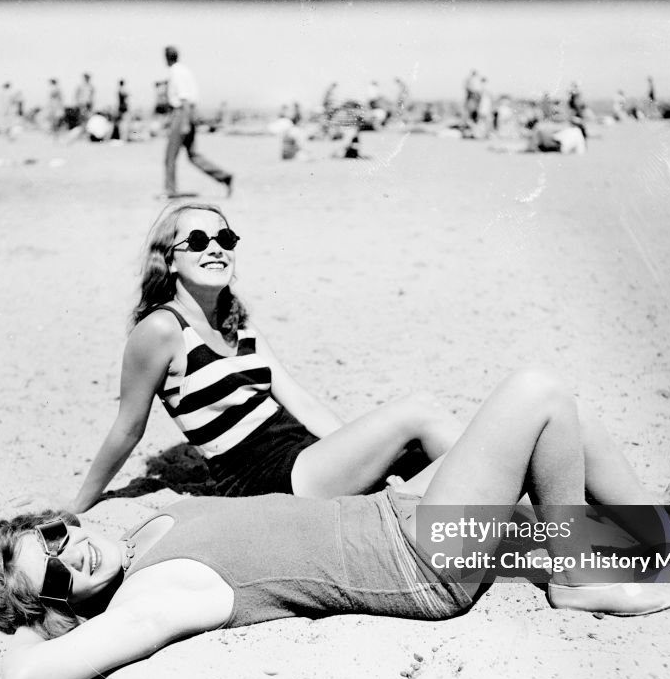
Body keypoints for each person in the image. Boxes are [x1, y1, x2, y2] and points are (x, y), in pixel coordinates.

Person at [0, 367, 670, 679]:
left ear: (64, 520)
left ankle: (657, 535)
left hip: (404, 514)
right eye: (54, 574)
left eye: (54, 535)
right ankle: (573, 579)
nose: (71, 552)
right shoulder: (153, 595)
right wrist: (30, 622)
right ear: (58, 601)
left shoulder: (144, 529)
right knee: (537, 396)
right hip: (421, 564)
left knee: (573, 423)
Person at [69, 202, 464, 512]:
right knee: (421, 411)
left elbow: (302, 402)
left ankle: (498, 532)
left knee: (423, 457)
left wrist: (365, 456)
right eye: (197, 241)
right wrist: (77, 504)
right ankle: (510, 533)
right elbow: (127, 428)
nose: (215, 249)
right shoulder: (161, 330)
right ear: (170, 260)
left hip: (307, 459)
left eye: (225, 239)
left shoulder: (237, 325)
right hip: (270, 480)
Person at [162, 46, 233, 199]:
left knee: (170, 156)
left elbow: (184, 98)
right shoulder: (185, 71)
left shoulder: (176, 72)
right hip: (188, 113)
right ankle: (223, 176)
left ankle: (170, 190)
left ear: (167, 57)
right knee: (193, 155)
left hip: (182, 114)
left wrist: (185, 123)